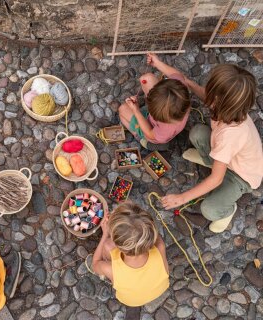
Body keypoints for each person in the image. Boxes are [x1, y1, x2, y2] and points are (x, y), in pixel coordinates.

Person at [160, 62, 263, 233]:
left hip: (240, 176)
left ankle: (228, 212)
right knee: (197, 133)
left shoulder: (230, 135)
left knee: (209, 209)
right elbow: (206, 96)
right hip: (226, 155)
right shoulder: (231, 108)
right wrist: (190, 83)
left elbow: (216, 179)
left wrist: (181, 198)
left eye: (212, 94)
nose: (208, 95)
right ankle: (212, 161)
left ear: (221, 102)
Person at [91, 202, 169, 310]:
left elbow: (95, 264)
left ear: (117, 244)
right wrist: (130, 215)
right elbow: (150, 231)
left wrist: (105, 234)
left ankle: (108, 273)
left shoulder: (111, 270)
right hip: (158, 289)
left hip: (130, 301)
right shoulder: (160, 247)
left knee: (107, 246)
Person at [118, 53, 190, 148]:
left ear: (156, 114)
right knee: (147, 78)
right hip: (168, 114)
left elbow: (149, 133)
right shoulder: (179, 88)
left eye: (150, 106)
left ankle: (140, 138)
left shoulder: (164, 130)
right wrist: (157, 63)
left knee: (122, 109)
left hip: (151, 132)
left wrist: (136, 111)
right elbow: (176, 74)